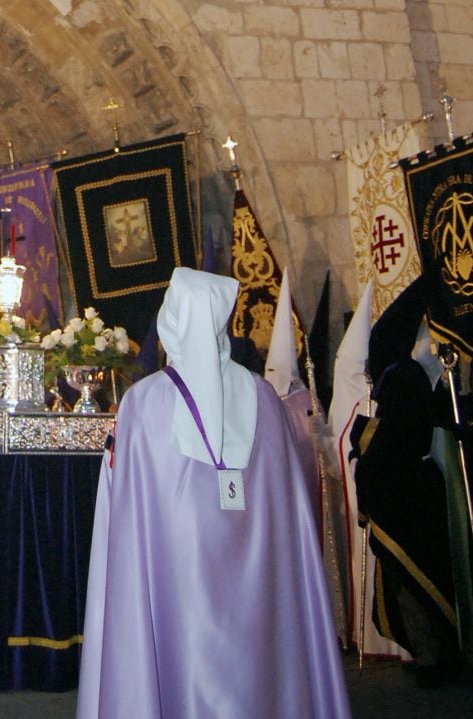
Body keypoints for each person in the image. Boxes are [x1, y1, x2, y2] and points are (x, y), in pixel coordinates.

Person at [77, 267, 349, 718]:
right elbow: (289, 511)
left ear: (174, 319)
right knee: (263, 662)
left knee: (176, 657)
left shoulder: (144, 402)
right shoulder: (264, 397)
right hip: (261, 575)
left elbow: (121, 503)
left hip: (177, 574)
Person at [351, 274, 462, 687]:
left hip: (403, 494)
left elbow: (395, 437)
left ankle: (436, 658)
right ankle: (430, 652)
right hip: (411, 489)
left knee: (414, 583)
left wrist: (364, 443)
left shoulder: (400, 378)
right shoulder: (404, 377)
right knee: (412, 581)